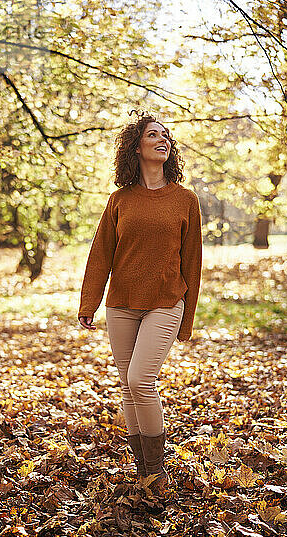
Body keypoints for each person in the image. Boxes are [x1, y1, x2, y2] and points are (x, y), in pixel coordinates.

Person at [77, 111, 203, 493]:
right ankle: (143, 469)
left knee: (140, 379)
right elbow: (101, 253)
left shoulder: (185, 200)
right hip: (122, 304)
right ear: (136, 147)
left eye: (166, 136)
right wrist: (90, 302)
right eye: (153, 135)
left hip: (166, 301)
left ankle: (157, 471)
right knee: (127, 385)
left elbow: (193, 262)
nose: (162, 140)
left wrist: (188, 318)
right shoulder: (120, 200)